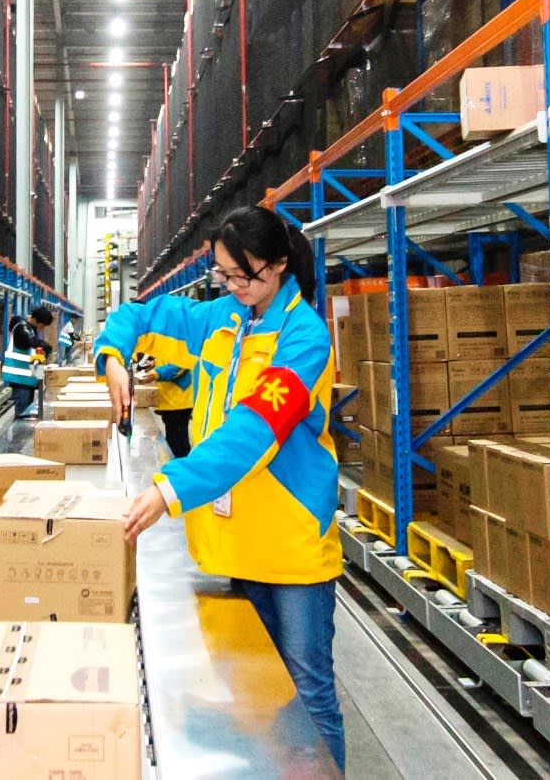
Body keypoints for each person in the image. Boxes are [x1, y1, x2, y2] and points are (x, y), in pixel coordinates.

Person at [98, 207, 346, 769]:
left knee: (309, 694)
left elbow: (252, 433)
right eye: (224, 275)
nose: (233, 286)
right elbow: (141, 315)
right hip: (234, 542)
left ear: (278, 265)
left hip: (290, 547)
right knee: (256, 690)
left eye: (243, 275)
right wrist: (112, 356)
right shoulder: (223, 319)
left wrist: (169, 489)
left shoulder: (304, 339)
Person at [4, 305, 55, 419]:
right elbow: (31, 341)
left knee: (26, 412)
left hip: (27, 381)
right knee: (22, 415)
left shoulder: (31, 330)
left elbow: (33, 355)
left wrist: (39, 377)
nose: (42, 328)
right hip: (20, 380)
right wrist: (44, 345)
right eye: (43, 325)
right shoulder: (22, 329)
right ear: (37, 320)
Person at [146, 356, 195, 459]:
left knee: (178, 443)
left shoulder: (184, 346)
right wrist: (155, 363)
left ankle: (181, 465)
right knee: (173, 440)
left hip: (179, 400)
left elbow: (181, 364)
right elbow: (169, 359)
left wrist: (157, 373)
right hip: (170, 400)